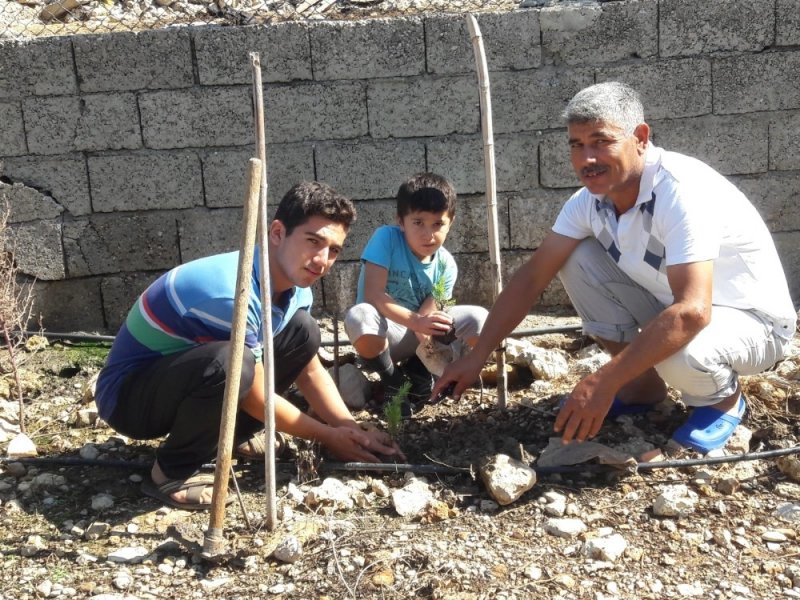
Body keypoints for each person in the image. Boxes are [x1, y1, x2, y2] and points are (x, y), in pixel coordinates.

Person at [433, 82, 796, 453]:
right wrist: (477, 356)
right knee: (575, 257)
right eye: (576, 145)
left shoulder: (680, 192)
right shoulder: (589, 203)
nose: (587, 159)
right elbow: (531, 278)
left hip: (754, 323)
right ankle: (642, 388)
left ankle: (721, 401)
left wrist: (603, 381)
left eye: (601, 141)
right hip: (679, 306)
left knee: (681, 347)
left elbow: (692, 312)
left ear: (640, 137)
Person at [95, 182, 403, 510]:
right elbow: (256, 395)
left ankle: (232, 437)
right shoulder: (232, 294)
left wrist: (350, 428)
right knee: (230, 364)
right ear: (277, 232)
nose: (322, 260)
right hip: (130, 400)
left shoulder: (296, 286)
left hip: (181, 380)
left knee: (304, 332)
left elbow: (309, 369)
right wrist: (327, 437)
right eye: (313, 241)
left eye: (334, 250)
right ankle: (170, 473)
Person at [344, 172, 488, 414]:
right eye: (418, 223)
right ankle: (392, 381)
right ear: (401, 221)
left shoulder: (446, 264)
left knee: (480, 318)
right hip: (386, 334)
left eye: (438, 224)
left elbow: (428, 312)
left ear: (450, 223)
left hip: (419, 335)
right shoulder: (386, 238)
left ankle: (427, 373)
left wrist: (435, 332)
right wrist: (419, 322)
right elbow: (374, 295)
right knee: (360, 315)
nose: (428, 234)